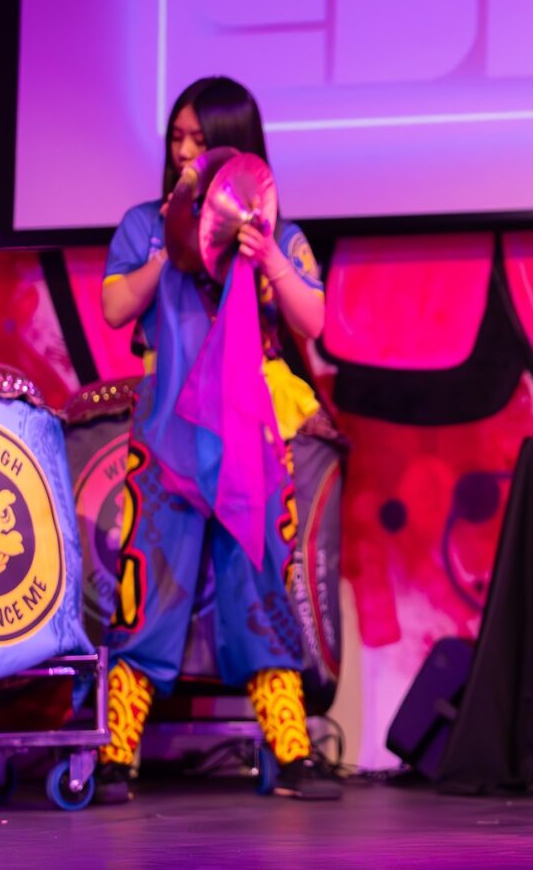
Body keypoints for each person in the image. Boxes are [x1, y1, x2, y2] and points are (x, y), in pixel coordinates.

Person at [98, 75, 338, 801]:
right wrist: (171, 247)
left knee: (259, 578)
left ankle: (290, 752)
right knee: (151, 581)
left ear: (234, 145)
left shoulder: (278, 232)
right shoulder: (145, 224)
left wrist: (265, 258)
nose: (183, 152)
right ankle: (116, 753)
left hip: (247, 432)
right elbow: (114, 308)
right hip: (168, 429)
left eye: (199, 140)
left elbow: (313, 320)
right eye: (176, 138)